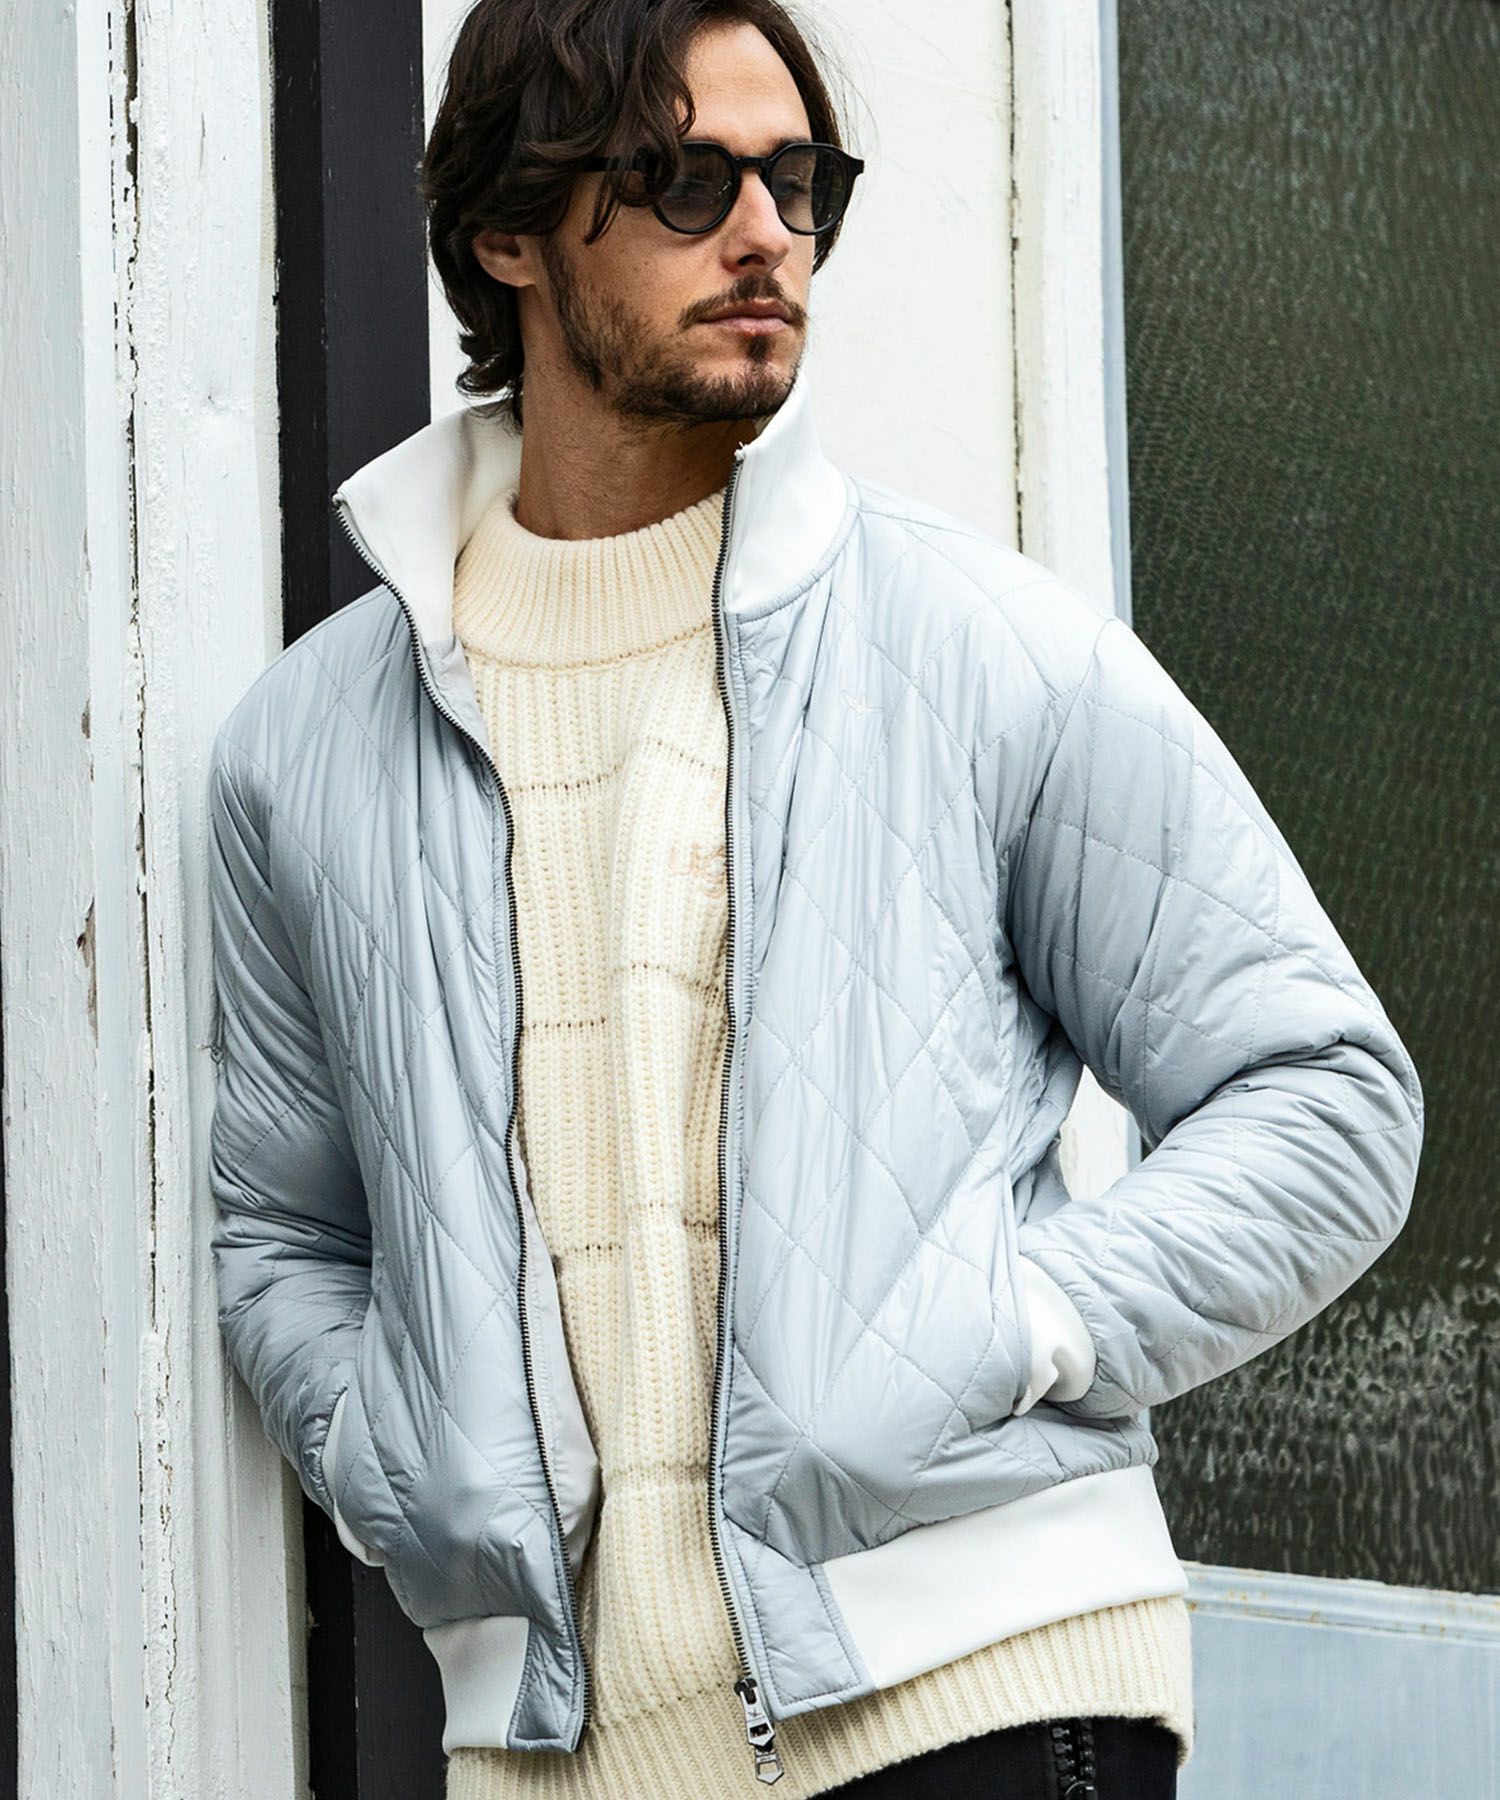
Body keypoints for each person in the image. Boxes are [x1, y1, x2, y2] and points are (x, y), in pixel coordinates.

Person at [205, 2, 1425, 1795]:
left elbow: (1324, 1095)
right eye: (686, 181)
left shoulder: (979, 645)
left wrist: (1020, 1326)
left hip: (973, 1692)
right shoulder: (304, 751)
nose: (765, 234)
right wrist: (399, 1458)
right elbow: (281, 1234)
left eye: (801, 182)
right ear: (510, 231)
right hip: (553, 1754)